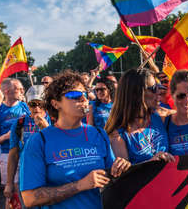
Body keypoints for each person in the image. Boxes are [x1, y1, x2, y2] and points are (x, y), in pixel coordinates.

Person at [19, 71, 130, 208]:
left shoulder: (98, 134)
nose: (83, 99)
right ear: (55, 104)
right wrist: (80, 185)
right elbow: (30, 198)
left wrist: (121, 167)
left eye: (84, 94)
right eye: (75, 95)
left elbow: (111, 177)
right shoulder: (39, 141)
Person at [105, 68, 173, 164]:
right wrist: (151, 162)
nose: (159, 92)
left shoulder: (160, 115)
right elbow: (124, 174)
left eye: (158, 86)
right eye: (153, 88)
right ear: (136, 94)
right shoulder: (117, 134)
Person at [5, 88, 51, 207]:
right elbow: (13, 153)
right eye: (32, 104)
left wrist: (46, 128)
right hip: (27, 175)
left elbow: (59, 147)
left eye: (40, 104)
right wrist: (9, 183)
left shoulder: (54, 120)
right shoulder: (19, 123)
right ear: (27, 104)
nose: (37, 108)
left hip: (50, 175)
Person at [0, 78, 30, 188]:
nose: (22, 91)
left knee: (28, 189)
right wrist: (7, 136)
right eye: (18, 89)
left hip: (27, 153)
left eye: (22, 89)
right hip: (8, 154)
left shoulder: (26, 107)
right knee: (12, 193)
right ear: (6, 92)